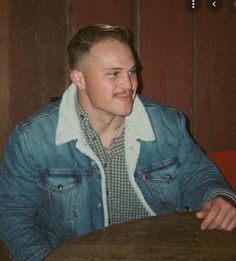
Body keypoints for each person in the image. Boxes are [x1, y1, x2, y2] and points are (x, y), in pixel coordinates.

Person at [0, 24, 235, 261]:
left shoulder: (167, 125)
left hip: (164, 251)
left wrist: (217, 198)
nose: (129, 85)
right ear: (78, 79)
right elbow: (12, 214)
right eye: (114, 73)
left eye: (132, 72)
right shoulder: (33, 139)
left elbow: (199, 176)